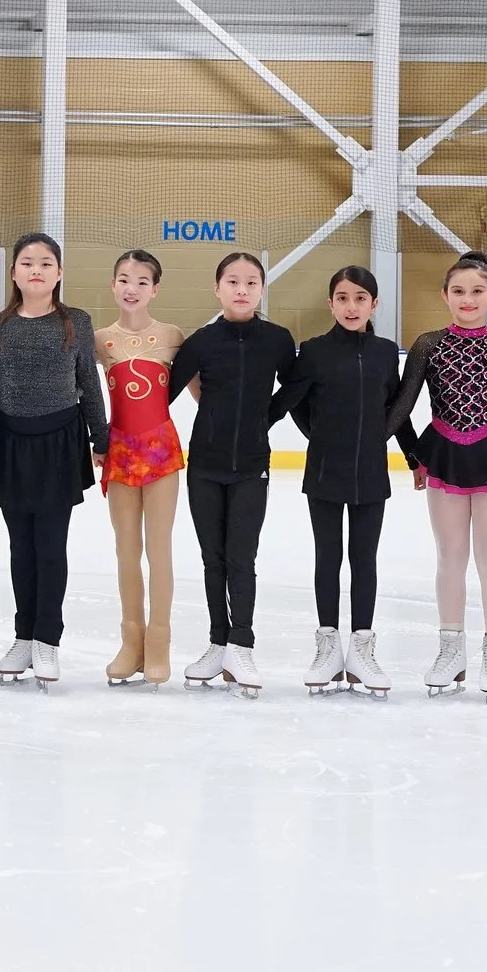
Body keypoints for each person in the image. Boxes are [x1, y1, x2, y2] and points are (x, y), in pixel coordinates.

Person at [390, 251, 487, 697]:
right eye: (459, 291)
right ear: (445, 295)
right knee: (450, 557)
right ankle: (451, 651)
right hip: (444, 456)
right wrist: (410, 456)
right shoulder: (428, 344)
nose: (468, 299)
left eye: (477, 291)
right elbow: (402, 407)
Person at [166, 251, 297, 698]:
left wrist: (266, 417)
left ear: (261, 289)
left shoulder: (277, 339)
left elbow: (295, 387)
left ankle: (241, 643)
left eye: (251, 282)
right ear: (217, 288)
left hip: (251, 467)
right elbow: (161, 392)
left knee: (242, 558)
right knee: (212, 560)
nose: (242, 290)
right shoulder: (202, 341)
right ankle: (217, 642)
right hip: (204, 464)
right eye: (233, 282)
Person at [278, 266, 407, 695]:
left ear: (373, 303)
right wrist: (319, 436)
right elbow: (292, 403)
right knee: (328, 557)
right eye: (342, 297)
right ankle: (328, 646)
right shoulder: (313, 352)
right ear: (331, 302)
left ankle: (363, 650)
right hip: (324, 471)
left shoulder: (386, 353)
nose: (351, 306)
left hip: (372, 470)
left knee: (364, 559)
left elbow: (397, 410)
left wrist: (415, 457)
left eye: (360, 298)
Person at [0, 233, 106, 685]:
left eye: (46, 262)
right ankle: (23, 635)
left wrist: (102, 438)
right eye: (27, 262)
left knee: (51, 547)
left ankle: (48, 640)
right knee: (21, 548)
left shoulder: (76, 321)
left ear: (59, 272)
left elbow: (89, 385)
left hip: (59, 443)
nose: (36, 269)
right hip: (10, 444)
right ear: (14, 272)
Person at [94, 250, 183, 687]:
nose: (132, 288)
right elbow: (82, 390)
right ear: (113, 285)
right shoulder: (98, 339)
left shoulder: (172, 336)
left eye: (142, 281)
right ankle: (131, 642)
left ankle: (159, 642)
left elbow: (201, 391)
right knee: (126, 550)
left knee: (158, 549)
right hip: (119, 454)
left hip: (162, 453)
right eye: (124, 280)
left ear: (155, 289)